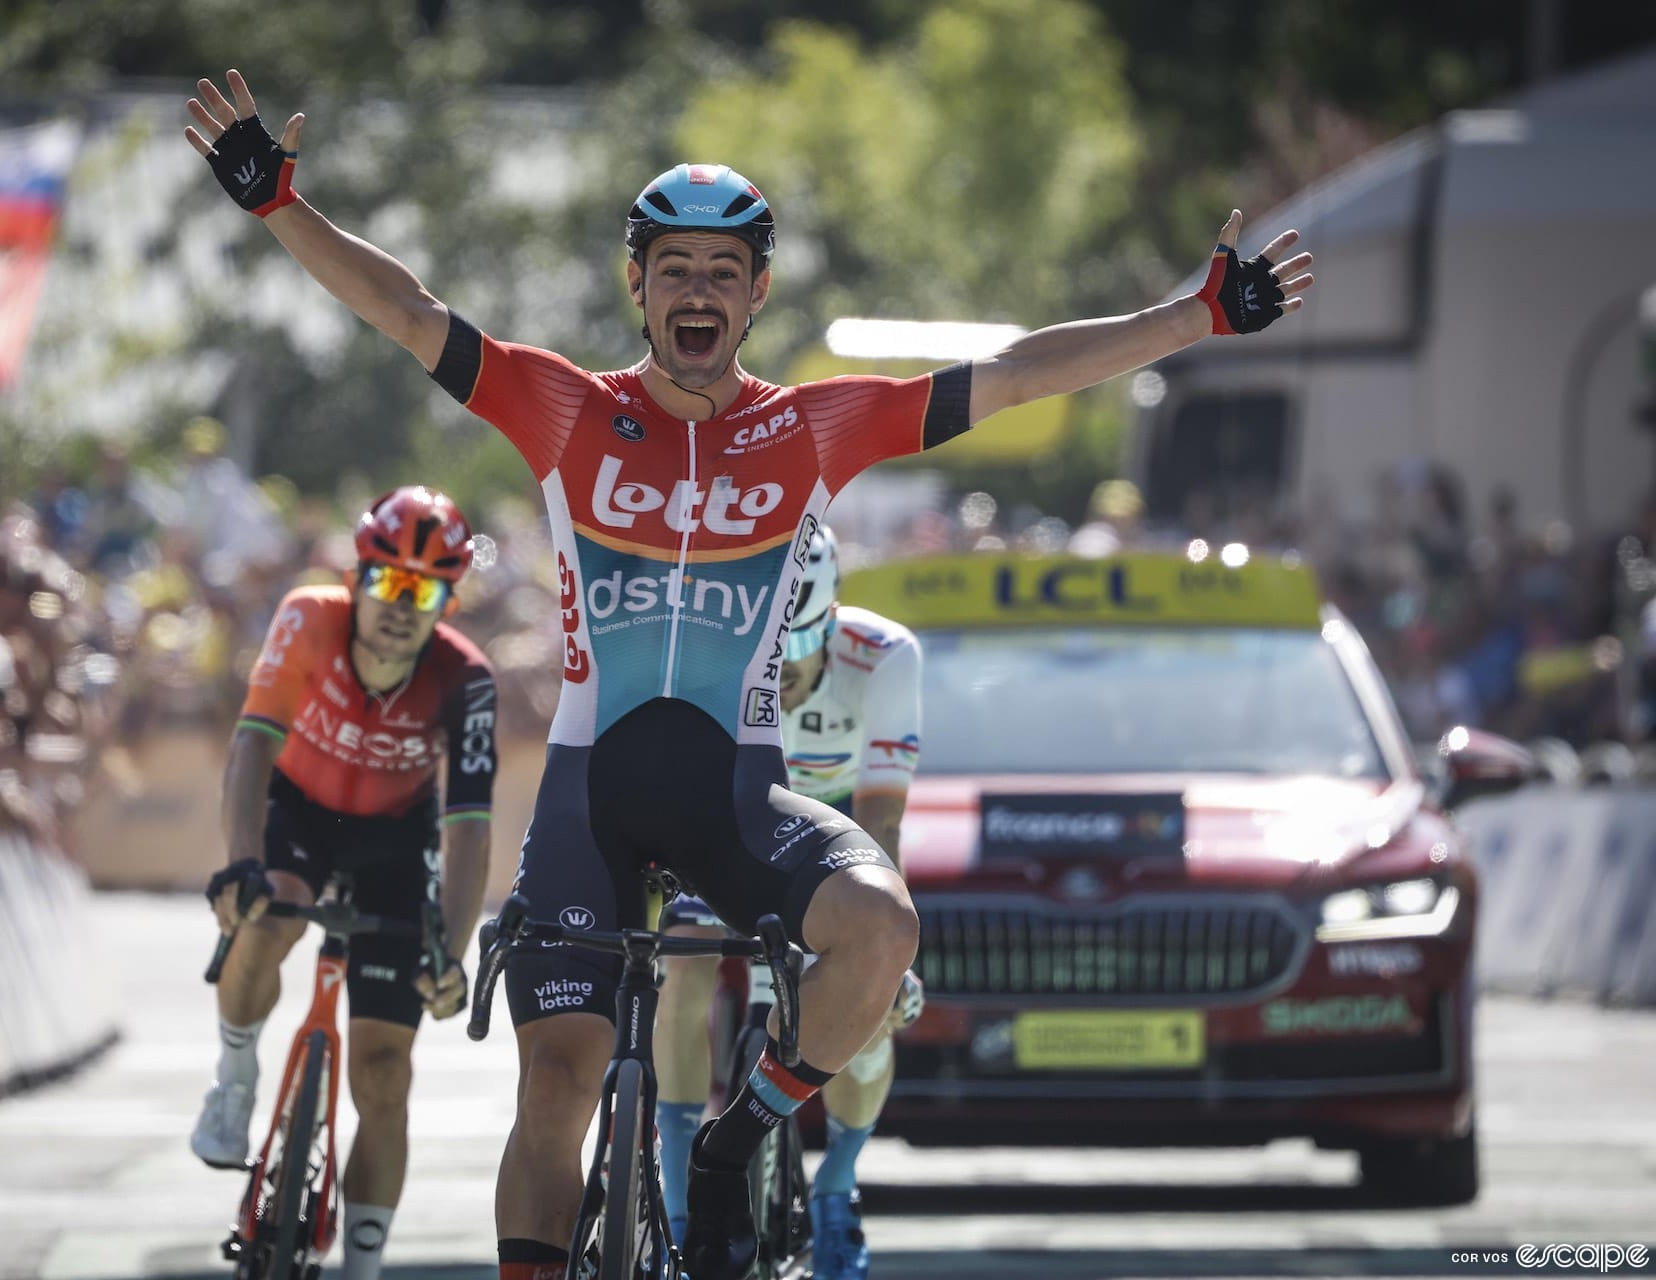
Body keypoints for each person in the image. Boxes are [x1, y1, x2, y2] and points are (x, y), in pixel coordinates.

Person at [186, 69, 1313, 1280]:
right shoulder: (565, 409)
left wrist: (1192, 318)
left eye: (724, 272)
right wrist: (277, 209)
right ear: (637, 284)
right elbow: (408, 311)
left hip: (741, 796)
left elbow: (1021, 370)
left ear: (759, 292)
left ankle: (737, 1137)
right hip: (588, 798)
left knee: (881, 931)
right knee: (556, 1083)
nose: (698, 291)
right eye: (674, 268)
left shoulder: (814, 429)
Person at [197, 485, 499, 1280]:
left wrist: (452, 953)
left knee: (384, 1074)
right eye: (390, 582)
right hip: (299, 811)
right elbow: (253, 743)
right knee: (268, 919)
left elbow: (469, 828)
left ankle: (363, 1266)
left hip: (398, 843)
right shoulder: (306, 616)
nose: (402, 605)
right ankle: (234, 1076)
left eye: (424, 590)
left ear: (446, 602)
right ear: (359, 577)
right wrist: (241, 861)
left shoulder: (467, 679)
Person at [654, 524, 924, 1278]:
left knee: (872, 1009)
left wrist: (888, 955)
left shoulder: (884, 657)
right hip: (735, 830)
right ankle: (680, 1193)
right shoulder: (705, 651)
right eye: (767, 659)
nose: (781, 678)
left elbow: (883, 818)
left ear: (831, 623)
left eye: (797, 655)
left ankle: (838, 1184)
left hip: (837, 841)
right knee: (684, 971)